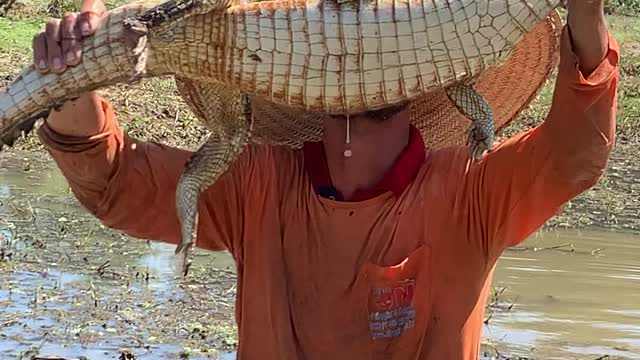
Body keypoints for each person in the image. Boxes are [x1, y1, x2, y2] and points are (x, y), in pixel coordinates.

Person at [31, 0, 618, 358]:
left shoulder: (471, 191)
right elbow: (117, 182)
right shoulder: (256, 182)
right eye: (351, 56)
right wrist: (69, 82)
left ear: (427, 81)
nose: (366, 72)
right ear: (317, 76)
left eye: (385, 58)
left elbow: (573, 157)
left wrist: (586, 14)